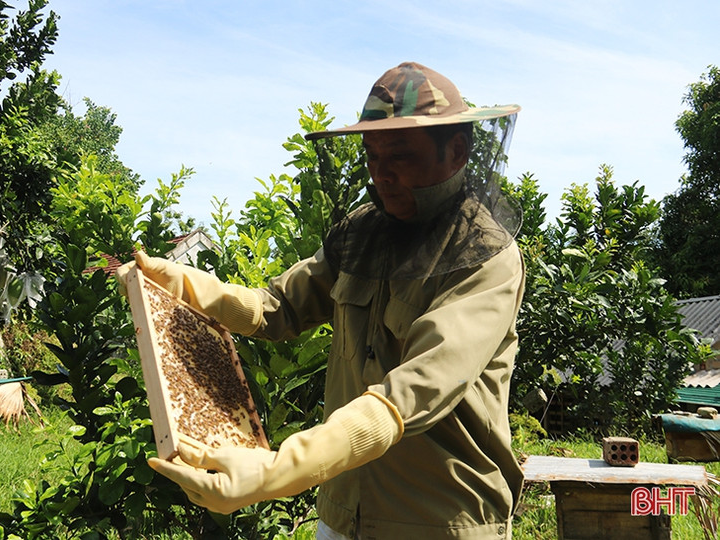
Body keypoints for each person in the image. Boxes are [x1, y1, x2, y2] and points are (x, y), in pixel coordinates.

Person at [117, 62, 525, 540]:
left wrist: (277, 472)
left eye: (400, 155)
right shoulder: (363, 233)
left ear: (455, 151)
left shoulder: (486, 259)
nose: (382, 174)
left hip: (439, 521)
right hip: (342, 511)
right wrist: (188, 285)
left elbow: (412, 393)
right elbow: (276, 309)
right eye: (372, 156)